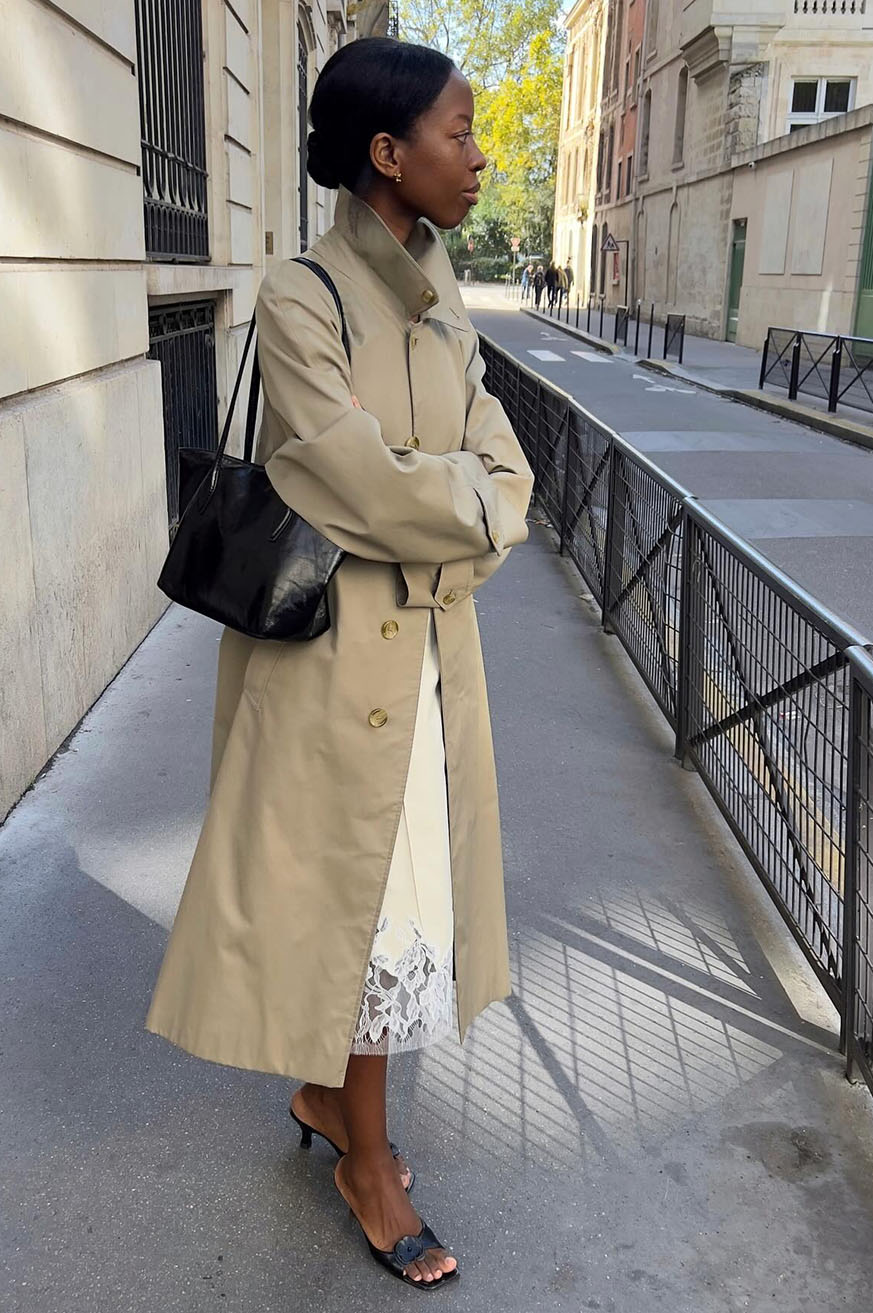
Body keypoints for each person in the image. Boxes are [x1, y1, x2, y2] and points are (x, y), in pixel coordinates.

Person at [145, 37, 534, 1292]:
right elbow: (343, 475)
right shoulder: (299, 292)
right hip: (327, 664)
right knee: (364, 917)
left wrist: (461, 503)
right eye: (460, 133)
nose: (480, 158)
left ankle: (326, 1098)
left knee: (408, 902)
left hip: (427, 652)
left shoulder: (439, 279)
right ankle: (364, 1160)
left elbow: (503, 459)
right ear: (386, 152)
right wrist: (465, 503)